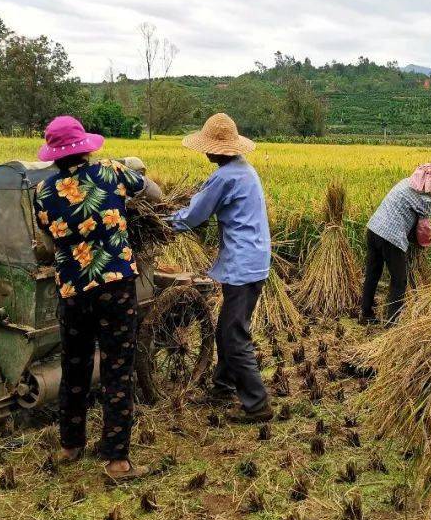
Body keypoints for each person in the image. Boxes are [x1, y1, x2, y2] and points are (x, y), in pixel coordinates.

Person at [33, 115, 162, 483]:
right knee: (117, 366)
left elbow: (48, 245)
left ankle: (70, 446)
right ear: (85, 147)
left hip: (72, 290)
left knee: (74, 364)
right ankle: (116, 461)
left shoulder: (42, 192)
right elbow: (153, 193)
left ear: (54, 156)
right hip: (114, 286)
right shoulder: (110, 171)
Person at [168, 113, 273, 423]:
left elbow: (193, 217)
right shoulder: (244, 170)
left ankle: (257, 405)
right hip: (253, 261)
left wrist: (163, 222)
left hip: (243, 264)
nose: (206, 153)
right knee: (228, 327)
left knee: (232, 334)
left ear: (217, 150)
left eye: (208, 148)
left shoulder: (224, 176)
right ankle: (223, 385)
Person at [359, 160, 431, 324]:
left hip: (373, 229)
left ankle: (365, 313)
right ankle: (392, 322)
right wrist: (422, 245)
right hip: (392, 238)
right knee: (399, 281)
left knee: (373, 273)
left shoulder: (405, 183)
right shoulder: (425, 200)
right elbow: (423, 232)